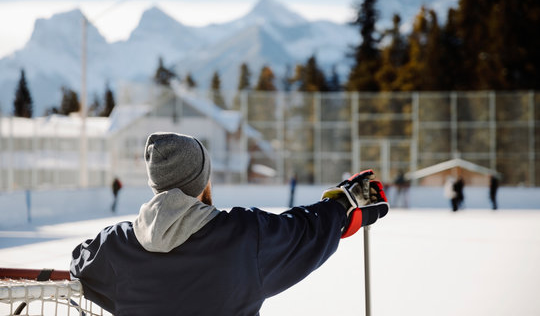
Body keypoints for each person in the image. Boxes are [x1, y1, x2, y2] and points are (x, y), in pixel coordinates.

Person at [70, 132, 389, 316]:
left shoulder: (115, 247)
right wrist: (342, 205)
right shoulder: (244, 237)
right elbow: (306, 229)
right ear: (202, 181)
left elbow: (79, 263)